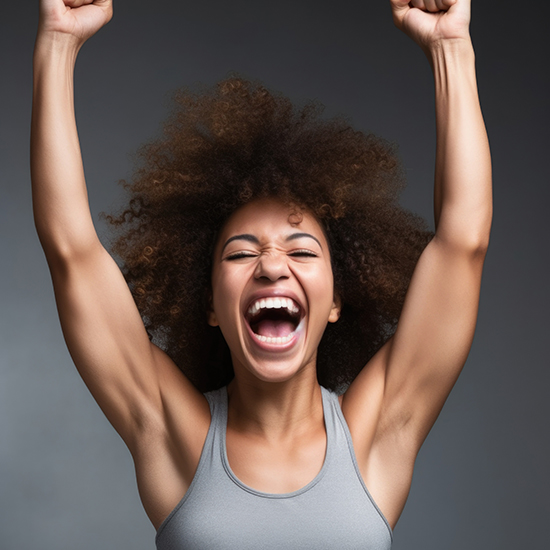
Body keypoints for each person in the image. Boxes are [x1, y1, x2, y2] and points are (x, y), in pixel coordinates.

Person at [31, 0, 492, 548]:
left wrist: (450, 48)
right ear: (208, 302)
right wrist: (58, 41)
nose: (273, 265)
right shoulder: (175, 435)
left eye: (301, 252)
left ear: (337, 298)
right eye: (241, 253)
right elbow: (72, 252)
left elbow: (463, 242)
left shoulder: (375, 433)